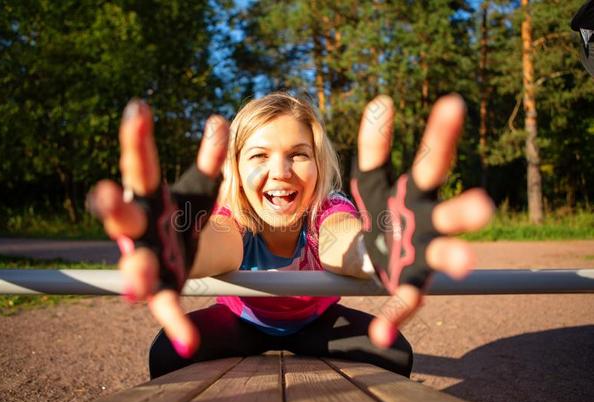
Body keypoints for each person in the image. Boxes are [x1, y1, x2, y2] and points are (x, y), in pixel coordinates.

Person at [90, 92, 494, 380]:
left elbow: (344, 242)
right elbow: (217, 243)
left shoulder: (328, 212)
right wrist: (183, 249)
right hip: (242, 321)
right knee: (168, 351)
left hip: (315, 323)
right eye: (259, 155)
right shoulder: (233, 217)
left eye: (298, 154)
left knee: (394, 352)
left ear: (318, 165)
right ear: (234, 169)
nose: (281, 171)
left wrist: (376, 250)